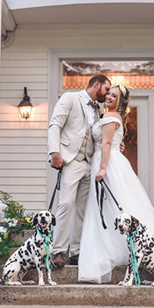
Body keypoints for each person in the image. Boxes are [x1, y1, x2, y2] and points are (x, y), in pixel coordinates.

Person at [77, 84, 154, 283]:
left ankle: (115, 249)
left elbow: (105, 144)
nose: (109, 97)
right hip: (110, 160)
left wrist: (103, 168)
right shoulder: (111, 116)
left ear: (120, 102)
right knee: (111, 206)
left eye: (114, 96)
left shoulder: (110, 117)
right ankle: (117, 246)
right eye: (109, 94)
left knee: (109, 205)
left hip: (108, 163)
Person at [47, 74, 111, 267]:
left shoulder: (98, 110)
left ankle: (76, 251)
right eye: (106, 89)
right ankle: (58, 251)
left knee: (82, 208)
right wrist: (54, 152)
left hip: (89, 162)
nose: (107, 94)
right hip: (70, 160)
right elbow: (55, 124)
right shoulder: (70, 98)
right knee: (66, 203)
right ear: (97, 84)